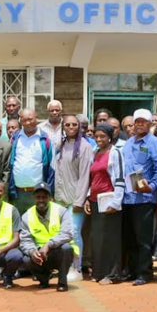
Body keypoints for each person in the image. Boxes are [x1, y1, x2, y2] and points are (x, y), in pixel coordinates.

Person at [121, 109, 157, 286]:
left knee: (144, 239)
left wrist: (152, 187)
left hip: (145, 199)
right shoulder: (128, 143)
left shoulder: (155, 143)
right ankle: (132, 271)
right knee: (130, 237)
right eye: (137, 121)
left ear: (149, 124)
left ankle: (145, 273)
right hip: (127, 198)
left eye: (143, 122)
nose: (139, 124)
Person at [52, 114, 93, 282]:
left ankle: (76, 267)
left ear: (79, 127)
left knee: (74, 233)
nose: (70, 127)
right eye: (67, 124)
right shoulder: (61, 145)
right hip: (61, 198)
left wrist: (80, 201)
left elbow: (85, 176)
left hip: (75, 199)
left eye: (74, 124)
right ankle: (63, 265)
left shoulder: (84, 147)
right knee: (62, 233)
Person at [85, 123, 124, 284]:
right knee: (98, 238)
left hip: (109, 201)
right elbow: (92, 178)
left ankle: (113, 274)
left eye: (103, 136)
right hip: (95, 201)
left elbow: (120, 179)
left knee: (111, 239)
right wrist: (88, 197)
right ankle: (100, 272)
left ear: (110, 137)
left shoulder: (115, 153)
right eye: (97, 136)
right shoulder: (95, 152)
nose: (99, 139)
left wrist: (116, 203)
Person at [20, 183, 76, 292]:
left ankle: (62, 282)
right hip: (39, 253)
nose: (41, 200)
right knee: (26, 259)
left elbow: (67, 233)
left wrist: (49, 245)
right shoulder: (26, 216)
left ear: (50, 198)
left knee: (67, 248)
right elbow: (25, 240)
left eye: (44, 197)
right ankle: (43, 279)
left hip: (56, 251)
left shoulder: (61, 211)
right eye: (38, 197)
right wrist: (32, 252)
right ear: (34, 198)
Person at [9, 109, 54, 213]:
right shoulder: (15, 138)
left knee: (36, 226)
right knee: (18, 226)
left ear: (36, 119)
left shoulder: (44, 139)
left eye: (30, 119)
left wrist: (50, 192)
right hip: (18, 193)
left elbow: (51, 168)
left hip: (38, 194)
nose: (28, 123)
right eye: (24, 120)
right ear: (20, 121)